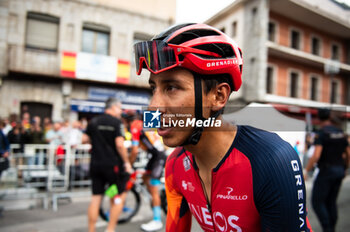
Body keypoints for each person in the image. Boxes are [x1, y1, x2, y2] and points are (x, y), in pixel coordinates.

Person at [134, 23, 312, 231]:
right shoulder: (174, 166)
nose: (154, 106)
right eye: (153, 88)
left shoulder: (271, 160)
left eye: (172, 87)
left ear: (218, 96)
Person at [82, 97, 132, 232]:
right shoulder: (117, 123)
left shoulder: (94, 121)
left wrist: (97, 143)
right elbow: (120, 145)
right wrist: (127, 162)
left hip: (96, 165)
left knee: (96, 198)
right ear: (114, 107)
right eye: (120, 108)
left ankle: (91, 230)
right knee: (117, 196)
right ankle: (110, 229)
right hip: (113, 168)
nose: (121, 111)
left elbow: (84, 139)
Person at [304, 109, 350, 232]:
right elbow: (348, 153)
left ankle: (327, 228)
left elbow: (316, 155)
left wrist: (306, 170)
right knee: (331, 201)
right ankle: (332, 227)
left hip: (326, 171)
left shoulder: (322, 133)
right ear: (329, 116)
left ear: (318, 119)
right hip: (339, 170)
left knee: (317, 202)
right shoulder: (340, 132)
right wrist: (345, 167)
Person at [128, 112, 167, 231]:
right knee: (145, 177)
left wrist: (128, 165)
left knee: (153, 189)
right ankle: (158, 196)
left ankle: (157, 220)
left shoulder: (134, 125)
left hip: (158, 157)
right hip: (154, 155)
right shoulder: (141, 123)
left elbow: (134, 151)